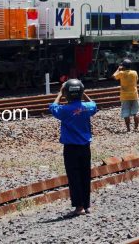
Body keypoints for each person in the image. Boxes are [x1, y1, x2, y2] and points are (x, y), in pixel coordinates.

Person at [49, 79, 98, 216]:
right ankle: (87, 206)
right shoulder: (88, 107)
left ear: (67, 94)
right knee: (85, 175)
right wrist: (84, 94)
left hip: (71, 148)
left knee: (74, 177)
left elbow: (53, 107)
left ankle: (78, 207)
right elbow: (94, 104)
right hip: (85, 147)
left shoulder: (64, 110)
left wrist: (60, 93)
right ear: (81, 92)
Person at [113, 60, 139, 133]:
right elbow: (137, 80)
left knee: (126, 113)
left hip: (125, 96)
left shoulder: (121, 73)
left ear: (123, 66)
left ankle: (128, 129)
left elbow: (114, 76)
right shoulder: (134, 72)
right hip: (134, 95)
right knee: (136, 112)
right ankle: (136, 128)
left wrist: (118, 69)